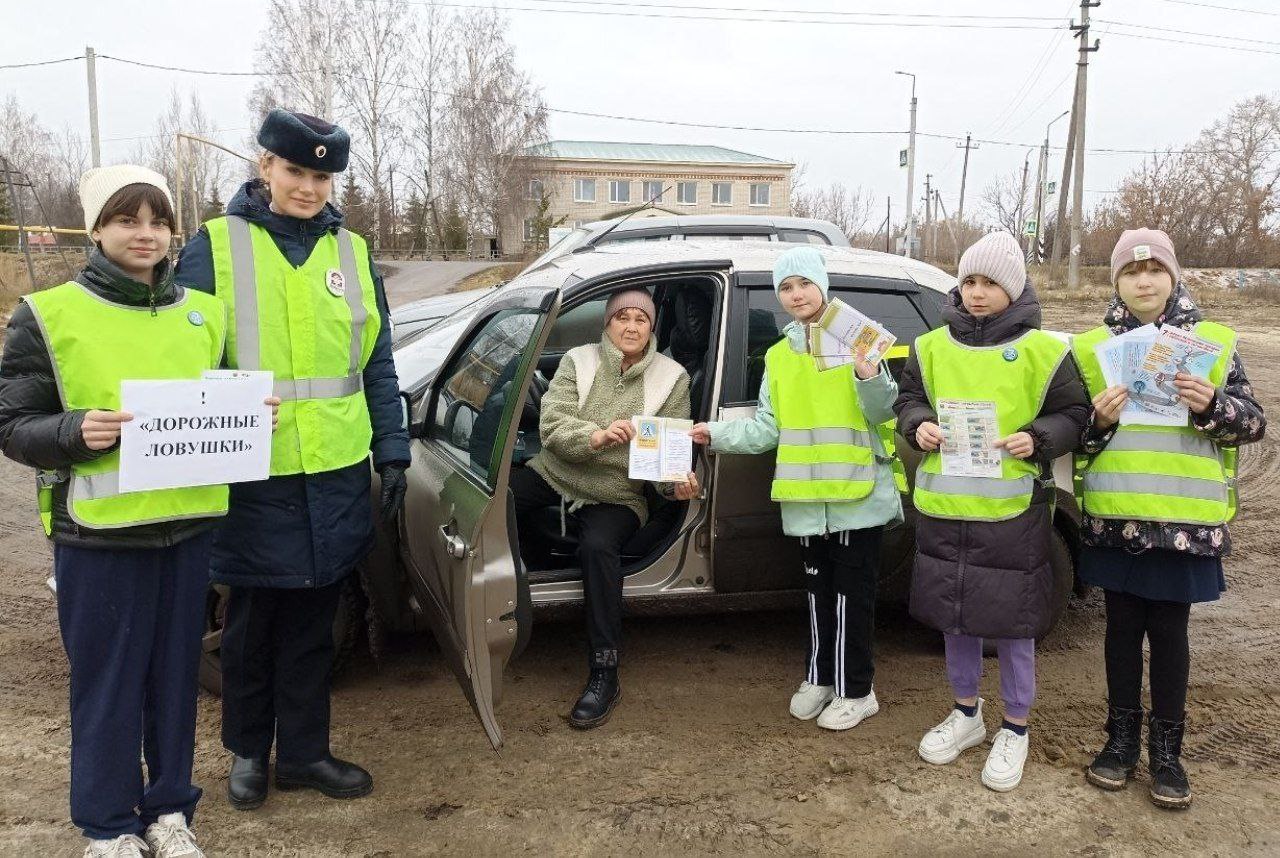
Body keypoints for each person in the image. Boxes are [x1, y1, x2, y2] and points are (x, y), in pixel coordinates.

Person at [0, 166, 275, 857]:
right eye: (128, 219)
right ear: (97, 229)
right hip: (99, 535)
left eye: (158, 221)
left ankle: (170, 811)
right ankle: (108, 824)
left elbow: (216, 403)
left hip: (186, 530)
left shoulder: (204, 313)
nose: (145, 234)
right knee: (109, 684)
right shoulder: (48, 315)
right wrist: (71, 433)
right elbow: (11, 422)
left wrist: (250, 414)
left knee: (174, 681)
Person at [174, 109, 409, 809]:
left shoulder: (354, 252)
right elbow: (182, 362)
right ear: (264, 166)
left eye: (320, 174)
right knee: (249, 629)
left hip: (334, 470)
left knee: (313, 626)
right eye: (295, 171)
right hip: (252, 474)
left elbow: (377, 363)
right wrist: (221, 404)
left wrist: (392, 450)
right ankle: (249, 754)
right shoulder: (214, 246)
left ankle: (305, 753)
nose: (308, 186)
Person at [1073, 229, 1264, 809]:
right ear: (1117, 283)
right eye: (1132, 272)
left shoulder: (1213, 344)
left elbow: (1253, 424)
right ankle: (1120, 741)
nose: (1145, 280)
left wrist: (1212, 406)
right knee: (1121, 633)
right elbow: (1069, 435)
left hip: (1181, 525)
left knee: (1171, 637)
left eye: (1155, 268)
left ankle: (1167, 751)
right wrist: (1097, 422)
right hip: (1117, 518)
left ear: (1173, 276)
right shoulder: (1090, 350)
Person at [893, 231, 1088, 792]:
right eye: (970, 281)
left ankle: (1016, 729)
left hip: (1012, 513)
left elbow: (1074, 415)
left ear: (1015, 287)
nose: (977, 294)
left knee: (1013, 624)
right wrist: (917, 425)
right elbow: (909, 401)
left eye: (990, 283)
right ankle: (965, 714)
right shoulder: (930, 347)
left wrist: (1039, 437)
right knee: (955, 617)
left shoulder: (1045, 351)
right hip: (945, 505)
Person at [690, 246, 904, 731]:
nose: (796, 294)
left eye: (804, 283)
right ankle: (821, 677)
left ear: (823, 287)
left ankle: (858, 690)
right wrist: (712, 433)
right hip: (807, 501)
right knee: (817, 595)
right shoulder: (778, 355)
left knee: (854, 598)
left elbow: (884, 411)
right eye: (786, 287)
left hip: (856, 497)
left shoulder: (856, 340)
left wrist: (867, 374)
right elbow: (768, 428)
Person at [510, 288, 699, 728]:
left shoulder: (672, 378)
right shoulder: (578, 360)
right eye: (622, 318)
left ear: (652, 328)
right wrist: (595, 436)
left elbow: (665, 465)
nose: (631, 327)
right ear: (607, 323)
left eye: (641, 320)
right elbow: (552, 425)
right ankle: (501, 606)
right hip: (555, 471)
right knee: (496, 503)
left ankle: (604, 670)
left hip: (618, 492)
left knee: (598, 549)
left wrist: (676, 489)